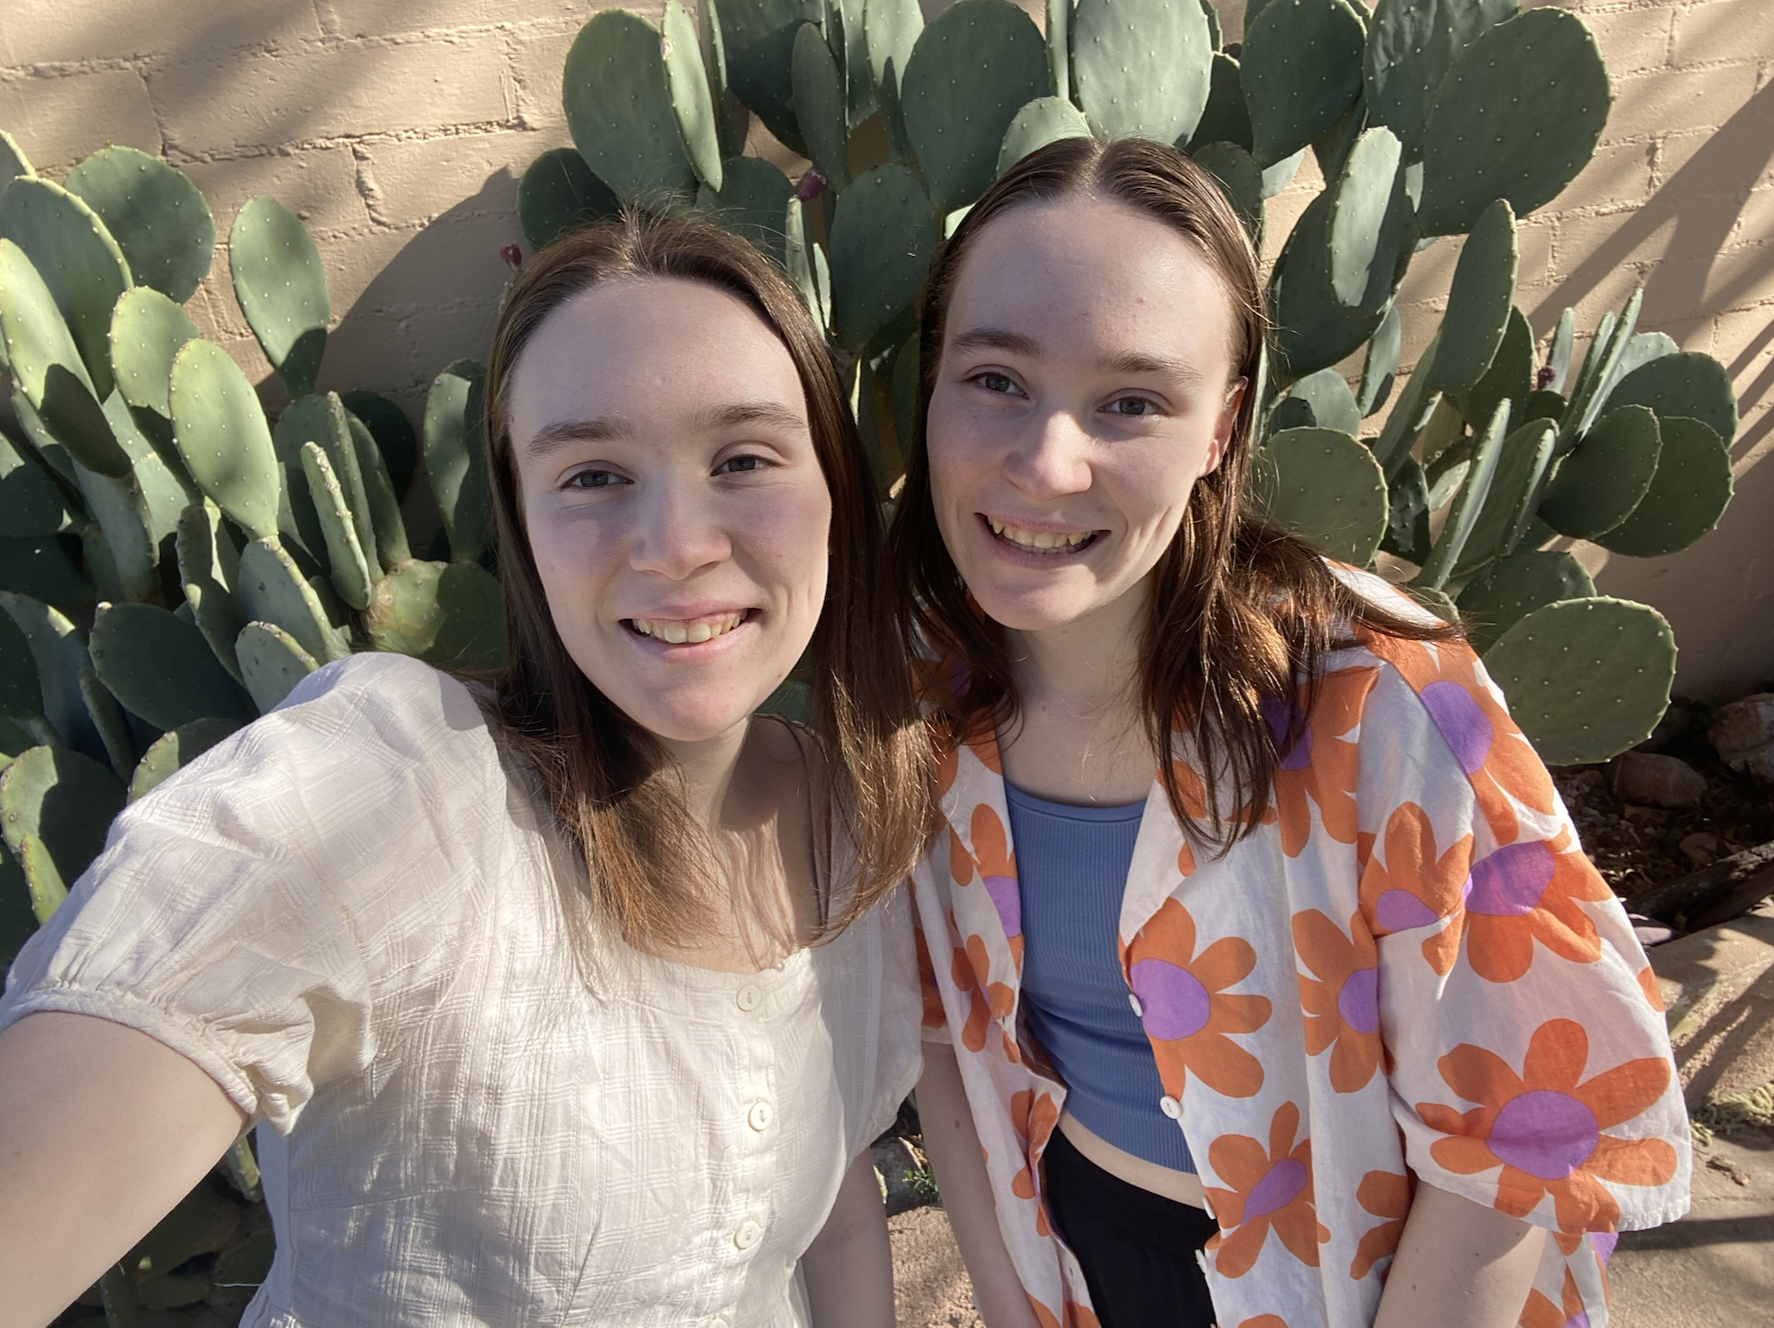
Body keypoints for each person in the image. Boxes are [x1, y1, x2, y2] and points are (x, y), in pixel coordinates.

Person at [0, 214, 931, 1328]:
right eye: (591, 474)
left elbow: (829, 1204)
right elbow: (176, 972)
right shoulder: (408, 786)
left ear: (834, 488)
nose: (676, 541)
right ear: (526, 528)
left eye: (742, 458)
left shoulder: (861, 830)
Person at [887, 136, 1690, 1328]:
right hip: (1074, 1255)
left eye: (1131, 401)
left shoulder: (1381, 694)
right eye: (995, 378)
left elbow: (1519, 1124)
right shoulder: (917, 688)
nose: (1047, 461)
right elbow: (945, 1037)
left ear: (1220, 429)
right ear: (933, 385)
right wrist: (1011, 1301)